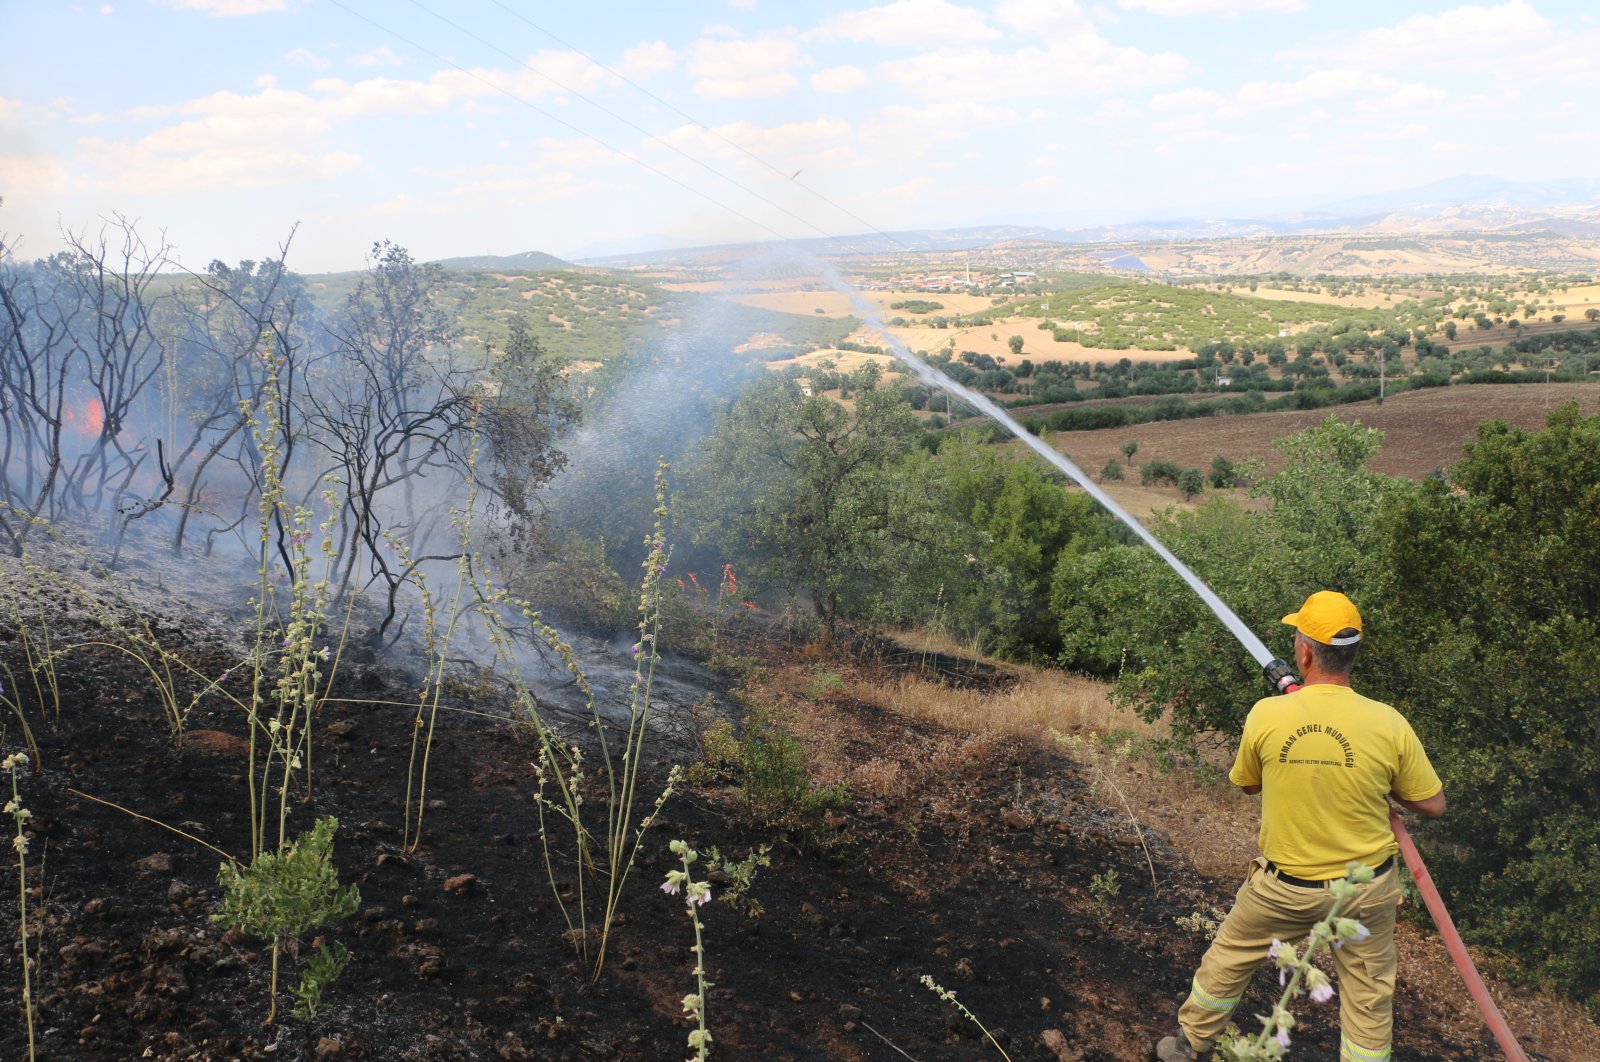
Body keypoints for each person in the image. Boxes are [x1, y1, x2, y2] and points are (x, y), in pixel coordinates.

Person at [1156, 590, 1446, 1062]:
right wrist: (1373, 779)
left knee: (1228, 961)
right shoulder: (1388, 723)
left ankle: (1188, 1045)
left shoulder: (1267, 715)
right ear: (1351, 654)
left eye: (1297, 638)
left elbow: (1248, 785)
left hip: (1282, 890)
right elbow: (1432, 804)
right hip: (1364, 891)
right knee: (1369, 998)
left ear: (1306, 653)